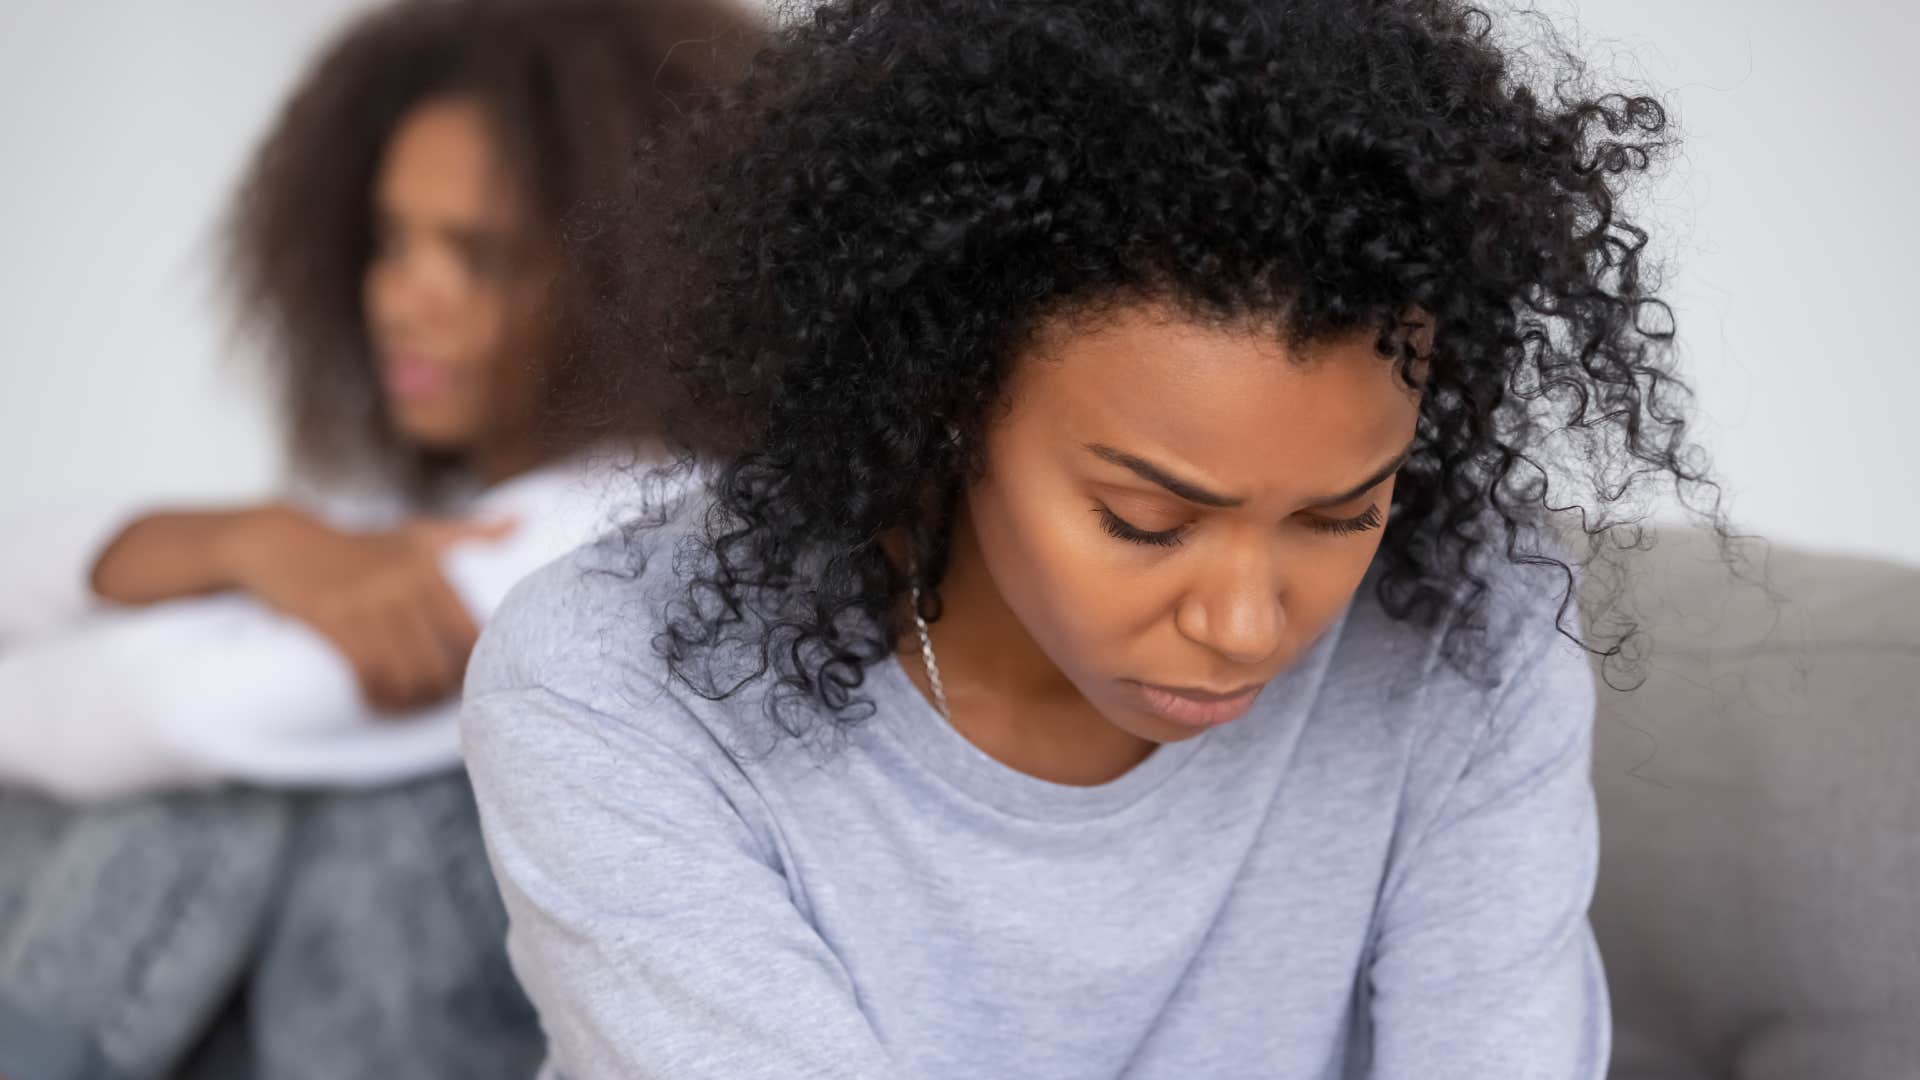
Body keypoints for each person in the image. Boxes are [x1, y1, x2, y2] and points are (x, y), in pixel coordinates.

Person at [462, 0, 1731, 1076]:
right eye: (1147, 520)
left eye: (1344, 512)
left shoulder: (1478, 634)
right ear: (946, 401)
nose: (1245, 627)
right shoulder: (620, 678)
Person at [0, 1, 755, 1076]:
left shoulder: (640, 536)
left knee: (215, 798)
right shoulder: (414, 536)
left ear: (631, 279)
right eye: (390, 242)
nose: (407, 297)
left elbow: (192, 712)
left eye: (478, 256)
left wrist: (244, 575)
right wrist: (248, 540)